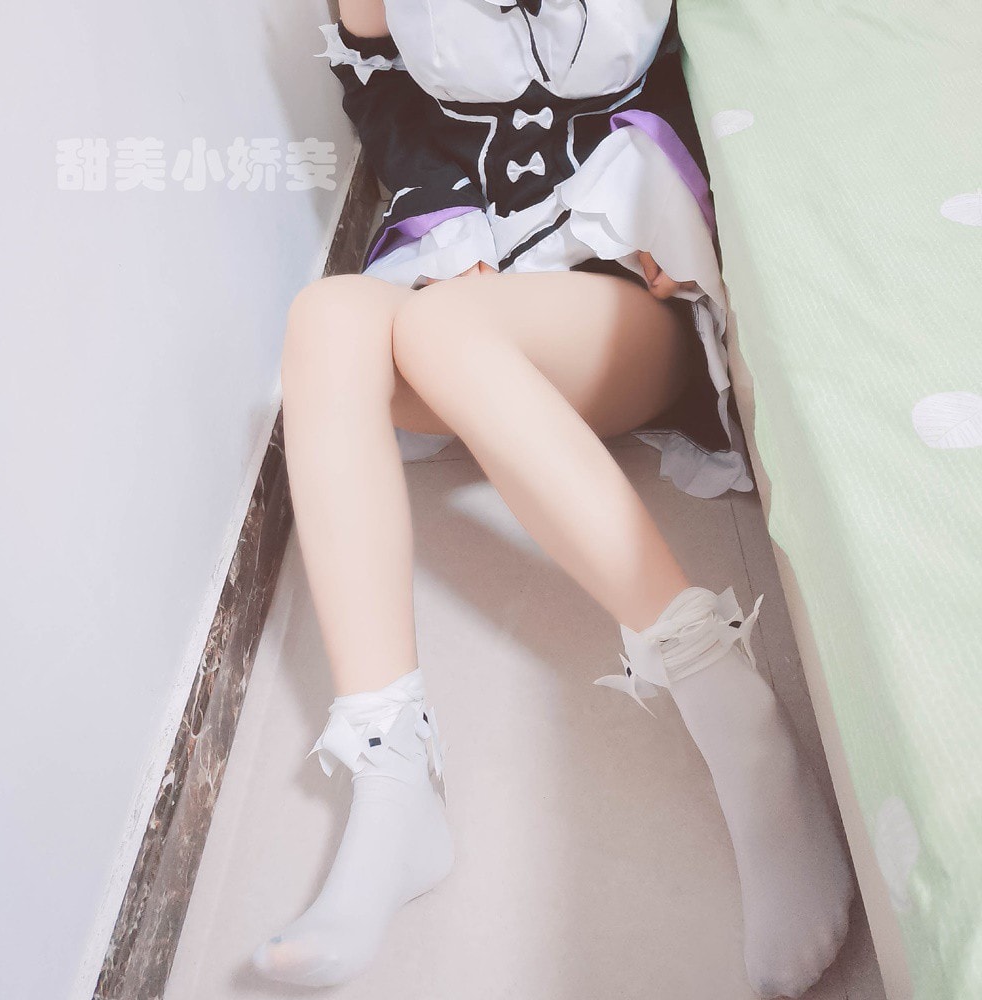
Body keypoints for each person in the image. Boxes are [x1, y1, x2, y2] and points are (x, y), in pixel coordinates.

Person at [250, 1, 855, 996]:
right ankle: (391, 784)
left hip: (620, 284)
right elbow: (385, 100)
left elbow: (733, 57)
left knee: (442, 330)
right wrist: (450, 230)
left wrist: (688, 200)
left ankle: (732, 714)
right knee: (324, 318)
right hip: (467, 272)